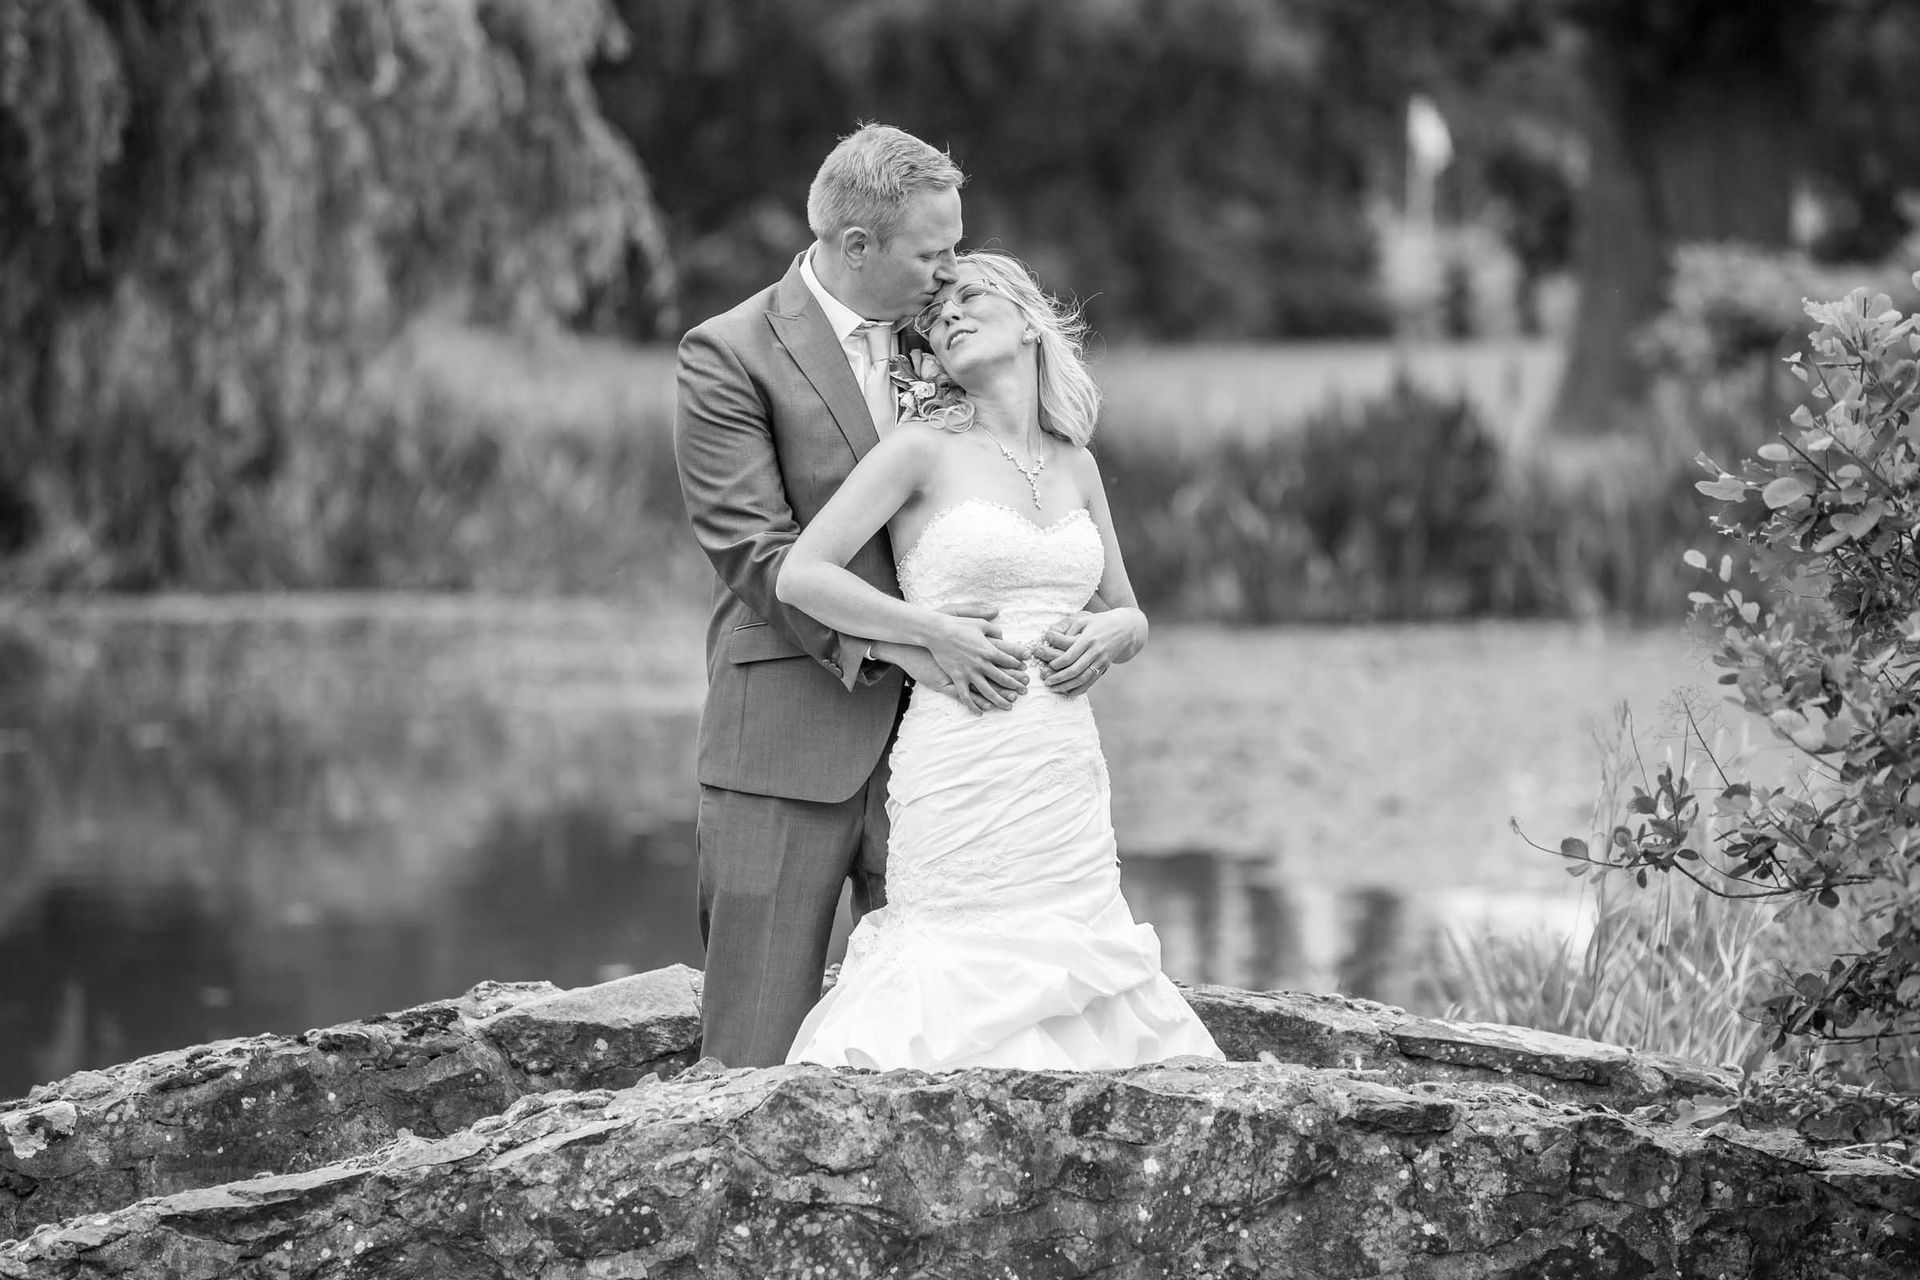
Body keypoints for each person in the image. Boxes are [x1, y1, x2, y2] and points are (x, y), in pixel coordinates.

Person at [777, 251, 1224, 1069]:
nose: (947, 315)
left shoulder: (1077, 464)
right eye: (936, 316)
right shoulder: (918, 450)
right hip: (964, 762)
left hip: (1063, 777)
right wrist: (925, 632)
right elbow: (802, 575)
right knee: (956, 973)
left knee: (1086, 982)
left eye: (969, 298)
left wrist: (1118, 635)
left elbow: (1127, 608)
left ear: (1027, 320)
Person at [673, 125, 1030, 1068]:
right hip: (789, 734)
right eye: (934, 250)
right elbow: (754, 551)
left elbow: (1024, 478)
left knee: (949, 1042)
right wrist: (911, 643)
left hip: (950, 749)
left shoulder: (952, 335)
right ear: (857, 247)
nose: (954, 269)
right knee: (749, 1050)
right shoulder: (729, 353)